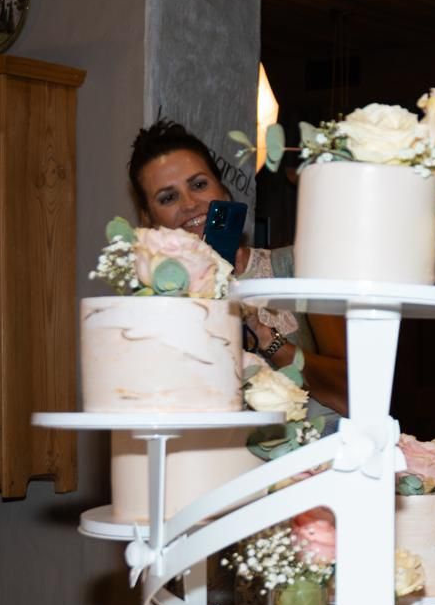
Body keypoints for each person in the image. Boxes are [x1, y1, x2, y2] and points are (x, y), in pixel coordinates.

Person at [129, 118, 348, 418]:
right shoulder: (152, 304)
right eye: (168, 197)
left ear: (225, 193)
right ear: (149, 221)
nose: (190, 203)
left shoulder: (298, 265)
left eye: (198, 184)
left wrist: (268, 340)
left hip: (316, 454)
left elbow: (355, 391)